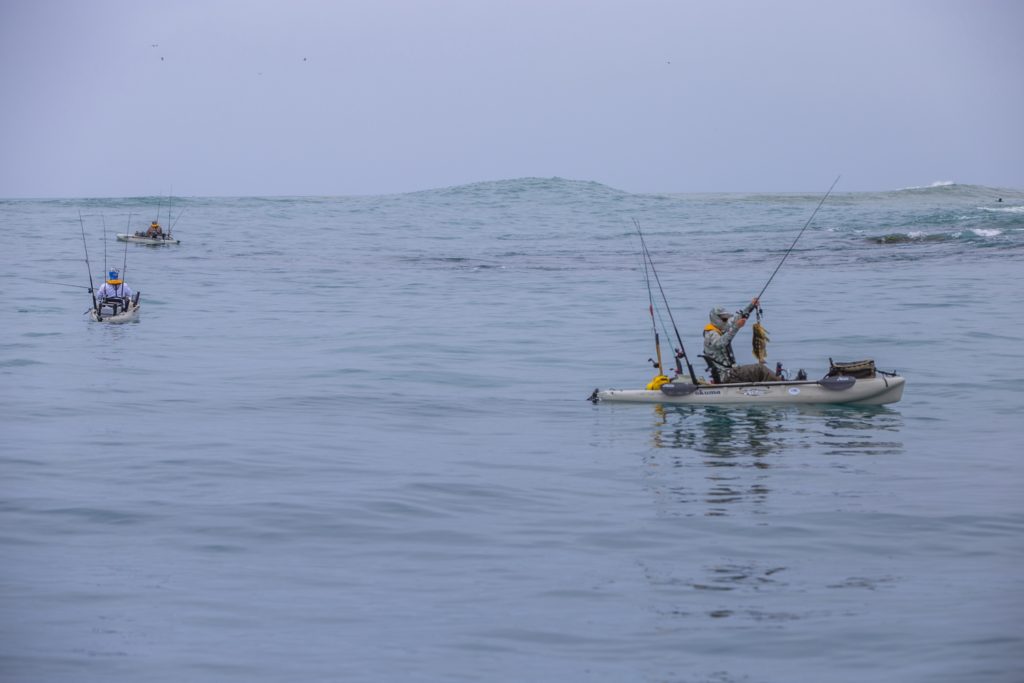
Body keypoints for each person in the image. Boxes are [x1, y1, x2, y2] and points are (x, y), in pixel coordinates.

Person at [702, 297, 780, 383]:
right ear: (715, 318)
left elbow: (736, 319)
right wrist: (736, 327)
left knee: (756, 371)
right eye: (724, 319)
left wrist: (751, 306)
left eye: (727, 319)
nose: (726, 321)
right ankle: (782, 385)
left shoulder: (719, 328)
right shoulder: (711, 335)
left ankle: (774, 385)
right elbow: (722, 343)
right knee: (759, 369)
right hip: (726, 375)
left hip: (731, 371)